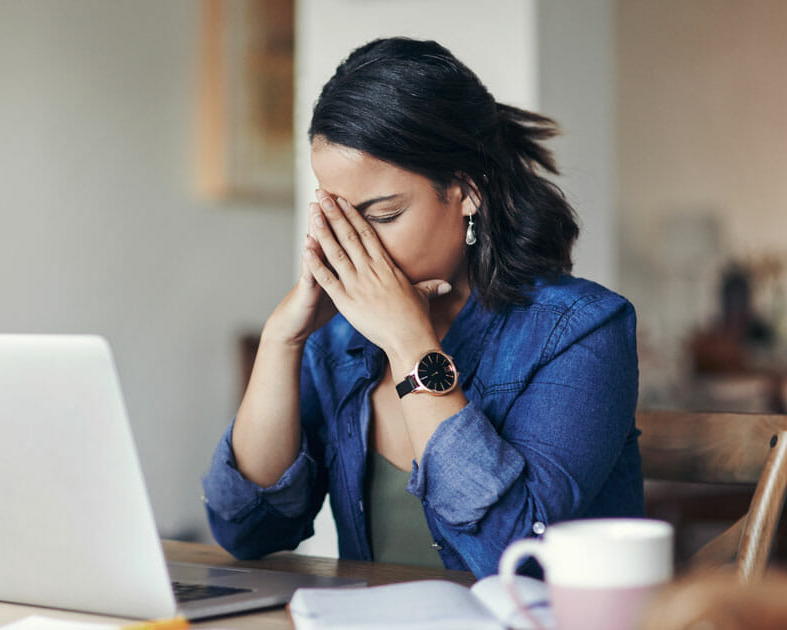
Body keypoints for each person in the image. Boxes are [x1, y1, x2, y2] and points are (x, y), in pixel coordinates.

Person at [201, 37, 643, 577]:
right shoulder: (339, 341)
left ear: (466, 190)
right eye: (341, 217)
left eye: (383, 215)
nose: (359, 246)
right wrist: (282, 340)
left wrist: (410, 343)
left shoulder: (581, 330)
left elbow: (512, 559)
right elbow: (247, 530)